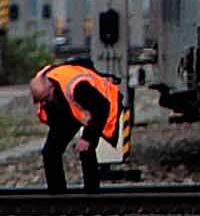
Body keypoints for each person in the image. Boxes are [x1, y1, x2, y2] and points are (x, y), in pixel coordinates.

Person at [27, 56, 126, 193]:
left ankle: (92, 194)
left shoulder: (78, 87)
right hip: (70, 110)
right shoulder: (44, 82)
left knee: (86, 149)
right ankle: (57, 194)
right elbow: (55, 114)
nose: (43, 103)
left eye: (44, 99)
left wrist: (87, 138)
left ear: (51, 88)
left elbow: (101, 107)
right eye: (39, 101)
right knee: (50, 152)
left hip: (101, 106)